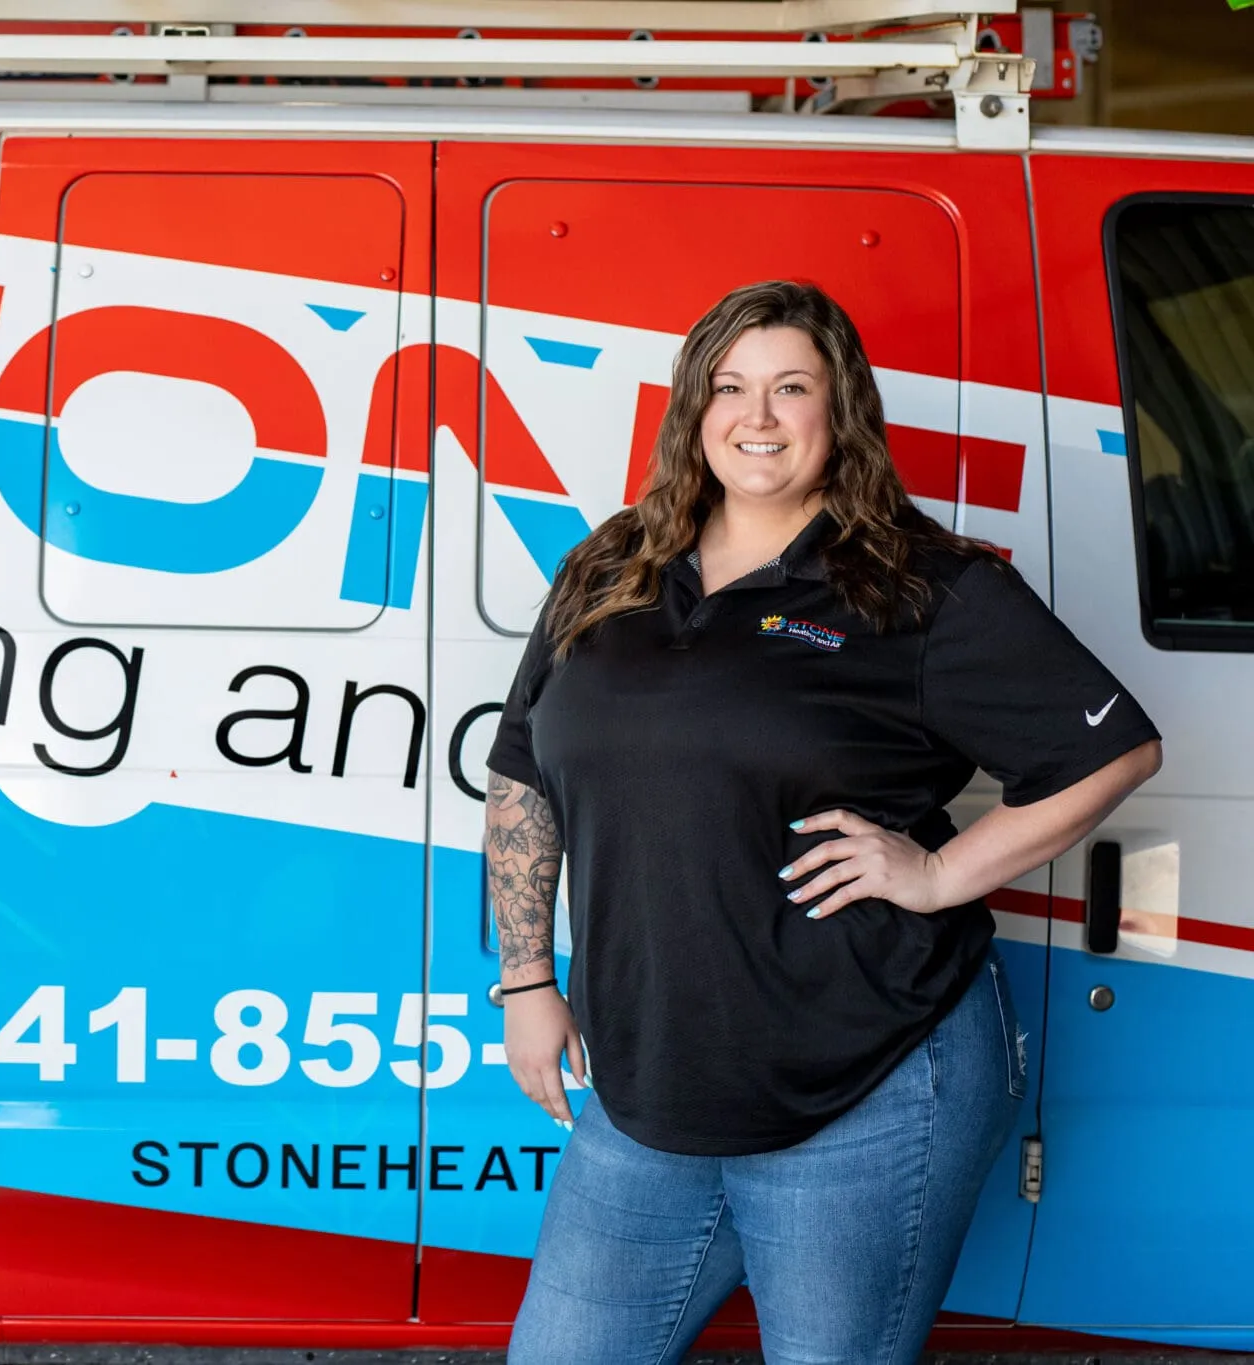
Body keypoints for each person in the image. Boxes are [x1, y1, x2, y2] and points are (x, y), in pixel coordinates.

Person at [485, 280, 1162, 1365]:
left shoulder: (917, 585)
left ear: (837, 408)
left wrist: (938, 875)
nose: (756, 417)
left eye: (790, 388)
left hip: (869, 1080)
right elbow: (521, 775)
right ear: (691, 410)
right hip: (647, 1079)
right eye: (729, 387)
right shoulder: (610, 566)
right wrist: (526, 983)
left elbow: (1111, 747)